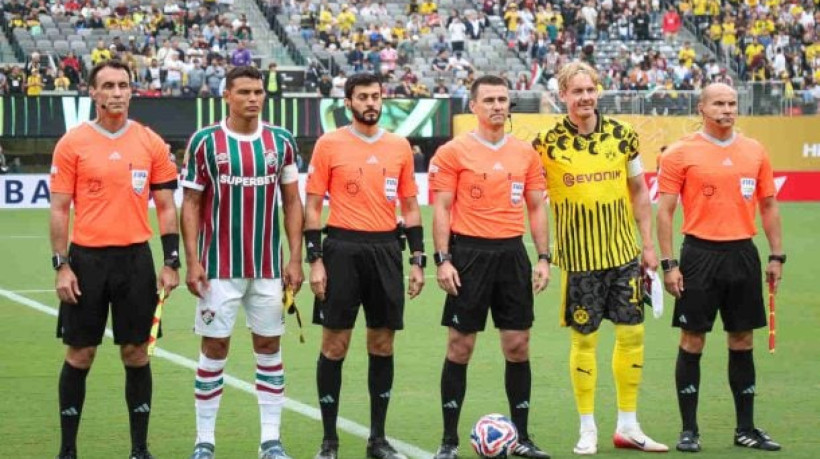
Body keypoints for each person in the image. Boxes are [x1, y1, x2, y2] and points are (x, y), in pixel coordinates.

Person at [531, 61, 668, 455]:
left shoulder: (623, 136)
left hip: (624, 253)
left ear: (599, 91)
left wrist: (647, 245)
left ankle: (628, 426)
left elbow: (640, 191)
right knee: (585, 340)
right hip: (579, 260)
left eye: (590, 90)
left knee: (632, 335)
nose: (585, 98)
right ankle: (587, 428)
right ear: (563, 96)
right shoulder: (547, 143)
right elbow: (532, 197)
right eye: (577, 92)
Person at [49, 59, 180, 459]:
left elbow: (165, 205)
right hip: (86, 262)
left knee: (136, 353)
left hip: (135, 261)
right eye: (107, 86)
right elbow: (59, 209)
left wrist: (171, 261)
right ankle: (68, 449)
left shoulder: (149, 142)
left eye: (123, 85)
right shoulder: (72, 143)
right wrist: (61, 264)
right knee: (80, 354)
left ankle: (139, 449)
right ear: (93, 92)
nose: (117, 92)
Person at [180, 66, 304, 459]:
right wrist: (193, 260)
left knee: (269, 347)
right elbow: (192, 203)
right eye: (245, 92)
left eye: (259, 92)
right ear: (227, 97)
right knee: (214, 348)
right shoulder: (204, 142)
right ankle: (205, 441)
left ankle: (270, 440)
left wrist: (296, 257)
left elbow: (292, 201)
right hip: (218, 268)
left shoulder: (281, 142)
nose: (253, 98)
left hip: (268, 267)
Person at [656, 82, 784, 453]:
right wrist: (669, 264)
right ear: (702, 108)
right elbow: (664, 212)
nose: (727, 109)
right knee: (692, 340)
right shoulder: (680, 153)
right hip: (698, 256)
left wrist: (776, 255)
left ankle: (746, 429)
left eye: (732, 103)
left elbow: (769, 206)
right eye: (719, 103)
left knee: (743, 339)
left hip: (743, 254)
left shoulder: (755, 150)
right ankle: (689, 430)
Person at [429, 74, 551, 459]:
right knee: (460, 346)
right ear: (474, 106)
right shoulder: (453, 152)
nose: (498, 106)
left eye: (503, 99)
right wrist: (443, 259)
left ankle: (523, 437)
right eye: (490, 100)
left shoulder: (525, 153)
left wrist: (544, 258)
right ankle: (449, 440)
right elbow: (443, 208)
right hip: (469, 256)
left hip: (512, 255)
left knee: (518, 346)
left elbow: (536, 207)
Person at [305, 72, 425, 459]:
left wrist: (418, 260)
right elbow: (312, 205)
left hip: (386, 249)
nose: (370, 103)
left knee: (382, 342)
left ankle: (377, 439)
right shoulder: (329, 144)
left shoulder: (400, 147)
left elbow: (409, 207)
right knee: (335, 344)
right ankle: (329, 441)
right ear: (349, 103)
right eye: (362, 97)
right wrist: (316, 260)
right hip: (341, 248)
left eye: (375, 96)